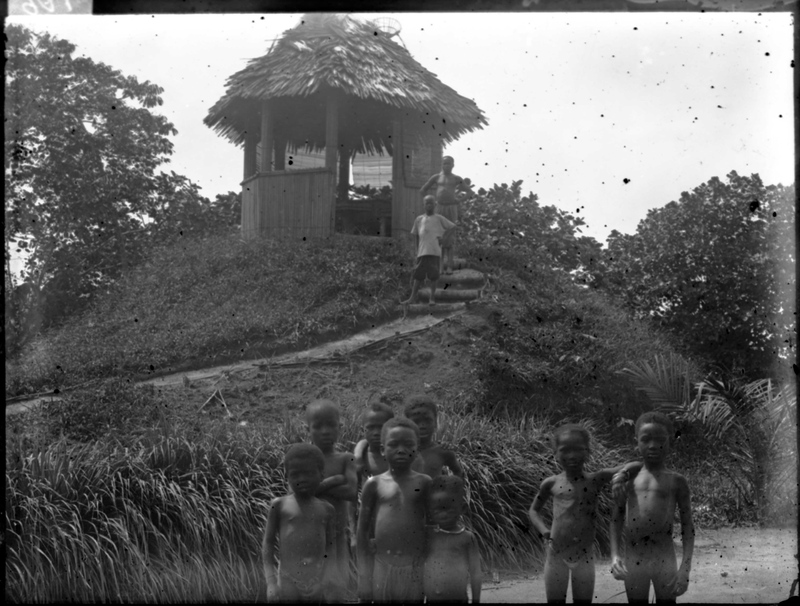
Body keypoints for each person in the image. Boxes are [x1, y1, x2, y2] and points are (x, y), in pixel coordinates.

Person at [527, 424, 642, 604]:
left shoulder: (595, 479)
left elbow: (638, 465)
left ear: (587, 452)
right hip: (556, 554)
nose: (571, 456)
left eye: (578, 450)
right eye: (565, 450)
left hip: (584, 556)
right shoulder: (551, 483)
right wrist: (544, 531)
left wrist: (623, 474)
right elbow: (533, 510)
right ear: (556, 454)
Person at [610, 412, 695, 604]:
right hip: (634, 558)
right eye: (646, 439)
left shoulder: (677, 481)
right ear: (636, 441)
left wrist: (685, 569)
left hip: (664, 558)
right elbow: (616, 519)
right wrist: (615, 556)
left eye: (660, 440)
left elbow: (688, 527)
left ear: (670, 441)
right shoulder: (629, 478)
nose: (653, 446)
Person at [357, 417, 432, 603]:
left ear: (417, 449)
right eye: (393, 444)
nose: (401, 450)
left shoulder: (425, 483)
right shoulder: (373, 484)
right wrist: (364, 578)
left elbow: (433, 527)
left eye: (408, 444)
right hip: (382, 566)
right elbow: (362, 533)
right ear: (382, 449)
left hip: (415, 567)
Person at [262, 443, 336, 603]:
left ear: (321, 474)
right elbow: (268, 543)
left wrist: (323, 582)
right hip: (287, 581)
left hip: (316, 581)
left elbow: (330, 549)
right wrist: (271, 583)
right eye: (295, 474)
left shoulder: (327, 510)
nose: (302, 479)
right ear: (286, 476)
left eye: (309, 473)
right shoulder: (279, 505)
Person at [305, 399, 358, 601]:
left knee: (337, 586)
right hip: (310, 534)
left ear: (340, 427)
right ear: (307, 429)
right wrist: (334, 480)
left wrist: (317, 488)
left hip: (337, 535)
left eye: (331, 425)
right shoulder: (304, 459)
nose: (325, 431)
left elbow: (351, 491)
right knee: (311, 588)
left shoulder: (346, 458)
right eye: (318, 427)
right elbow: (299, 494)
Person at [424, 475, 482, 603]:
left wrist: (476, 601)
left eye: (448, 508)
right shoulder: (429, 535)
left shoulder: (466, 538)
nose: (443, 514)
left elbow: (475, 573)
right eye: (437, 510)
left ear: (462, 508)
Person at [401, 195, 455, 307]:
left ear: (435, 205)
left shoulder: (439, 218)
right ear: (423, 205)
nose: (429, 205)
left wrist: (444, 239)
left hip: (434, 251)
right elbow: (416, 235)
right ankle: (412, 297)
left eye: (431, 203)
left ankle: (432, 298)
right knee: (417, 275)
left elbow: (453, 227)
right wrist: (417, 251)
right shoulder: (419, 219)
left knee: (434, 276)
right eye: (427, 203)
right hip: (422, 252)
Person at [420, 155, 467, 275]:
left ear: (453, 165)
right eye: (444, 163)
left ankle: (450, 266)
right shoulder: (436, 177)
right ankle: (440, 266)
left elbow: (470, 192)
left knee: (450, 236)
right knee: (439, 236)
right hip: (439, 207)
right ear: (442, 165)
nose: (446, 165)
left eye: (448, 163)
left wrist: (459, 200)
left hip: (451, 208)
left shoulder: (456, 179)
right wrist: (431, 201)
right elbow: (423, 190)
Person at [404, 395, 464, 479]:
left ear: (435, 422)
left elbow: (458, 472)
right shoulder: (402, 452)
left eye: (427, 420)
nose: (422, 426)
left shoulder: (442, 451)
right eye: (416, 421)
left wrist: (452, 490)